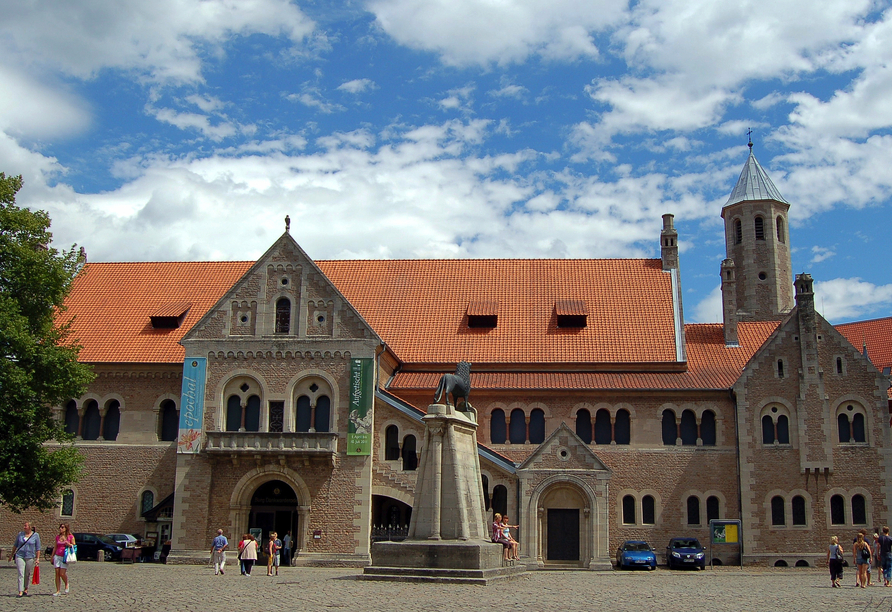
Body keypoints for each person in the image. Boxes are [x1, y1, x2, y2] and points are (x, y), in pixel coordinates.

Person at [11, 521, 41, 598]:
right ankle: (20, 591)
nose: (24, 527)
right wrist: (11, 555)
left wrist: (37, 558)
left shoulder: (36, 535)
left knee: (27, 574)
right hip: (20, 555)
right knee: (21, 573)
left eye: (26, 526)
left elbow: (38, 548)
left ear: (30, 527)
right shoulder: (20, 534)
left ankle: (26, 588)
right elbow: (15, 545)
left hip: (30, 556)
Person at [52, 524, 75, 596]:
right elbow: (55, 547)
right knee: (57, 573)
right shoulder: (57, 537)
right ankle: (58, 590)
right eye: (60, 527)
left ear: (66, 528)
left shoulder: (70, 537)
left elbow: (74, 546)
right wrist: (52, 557)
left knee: (62, 573)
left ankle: (66, 583)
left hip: (65, 557)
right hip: (57, 556)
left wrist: (69, 544)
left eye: (62, 527)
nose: (60, 529)